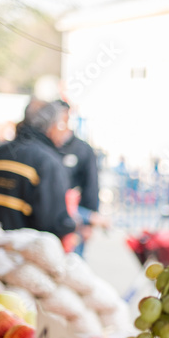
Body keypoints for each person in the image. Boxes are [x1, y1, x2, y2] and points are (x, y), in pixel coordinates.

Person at [0, 100, 75, 240]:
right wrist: (73, 225)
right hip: (23, 254)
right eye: (63, 125)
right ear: (52, 127)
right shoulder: (48, 162)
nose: (65, 132)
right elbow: (52, 222)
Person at [54, 101, 108, 256]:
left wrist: (88, 223)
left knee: (74, 264)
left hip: (76, 219)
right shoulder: (48, 146)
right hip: (53, 218)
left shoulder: (82, 149)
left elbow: (91, 185)